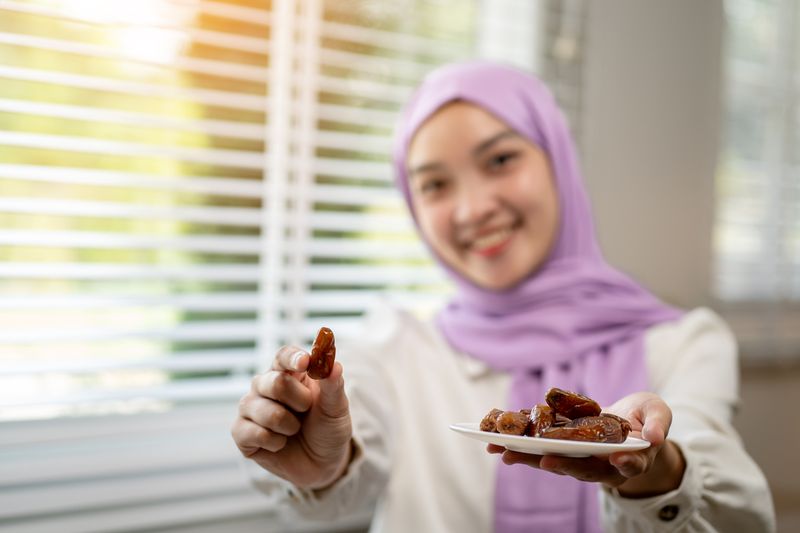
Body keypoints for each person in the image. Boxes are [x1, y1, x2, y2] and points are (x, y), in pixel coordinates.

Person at [231, 61, 775, 532]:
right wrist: (319, 459)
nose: (473, 210)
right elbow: (337, 482)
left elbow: (738, 519)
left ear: (557, 162)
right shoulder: (395, 344)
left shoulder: (686, 343)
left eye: (499, 161)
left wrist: (653, 468)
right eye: (435, 185)